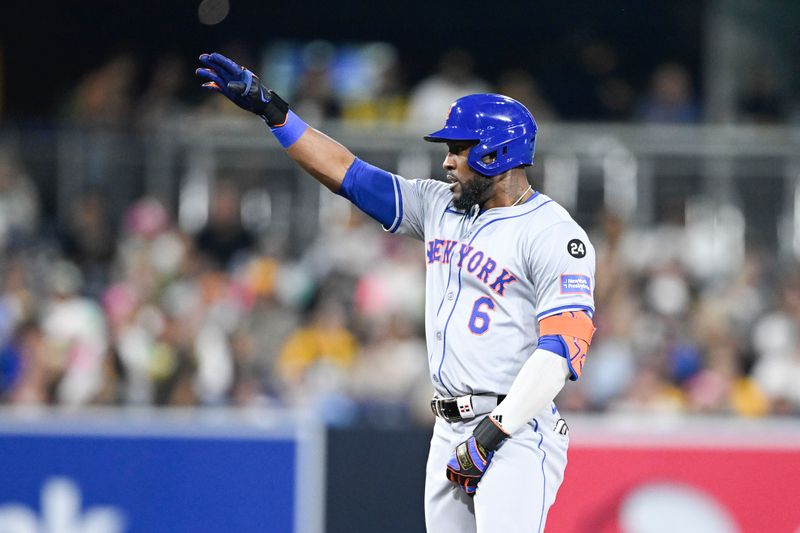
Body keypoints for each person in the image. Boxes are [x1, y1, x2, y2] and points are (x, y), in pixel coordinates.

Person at [196, 52, 596, 533]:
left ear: (497, 153)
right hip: (449, 425)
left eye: (459, 148)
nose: (447, 160)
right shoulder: (439, 206)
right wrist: (273, 111)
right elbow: (348, 174)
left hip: (514, 428)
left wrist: (494, 432)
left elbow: (562, 350)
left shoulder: (553, 232)